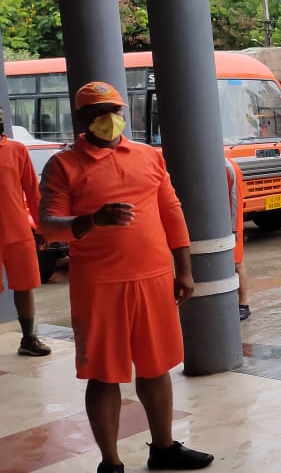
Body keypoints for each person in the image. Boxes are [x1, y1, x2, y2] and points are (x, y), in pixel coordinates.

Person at [38, 81, 214, 473]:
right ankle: (111, 462)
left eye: (115, 110)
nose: (110, 119)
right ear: (82, 119)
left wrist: (183, 269)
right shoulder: (63, 165)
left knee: (155, 367)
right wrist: (91, 221)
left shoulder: (148, 156)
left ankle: (164, 448)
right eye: (100, 112)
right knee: (104, 375)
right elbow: (49, 226)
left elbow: (172, 211)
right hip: (99, 286)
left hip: (153, 279)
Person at [0, 107, 52, 357]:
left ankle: (29, 338)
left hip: (18, 230)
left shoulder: (16, 150)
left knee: (25, 285)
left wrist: (43, 228)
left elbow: (33, 192)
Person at [224, 158, 252, 321]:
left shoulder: (228, 167)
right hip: (220, 223)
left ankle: (243, 305)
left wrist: (234, 229)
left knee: (237, 264)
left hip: (231, 223)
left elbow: (235, 200)